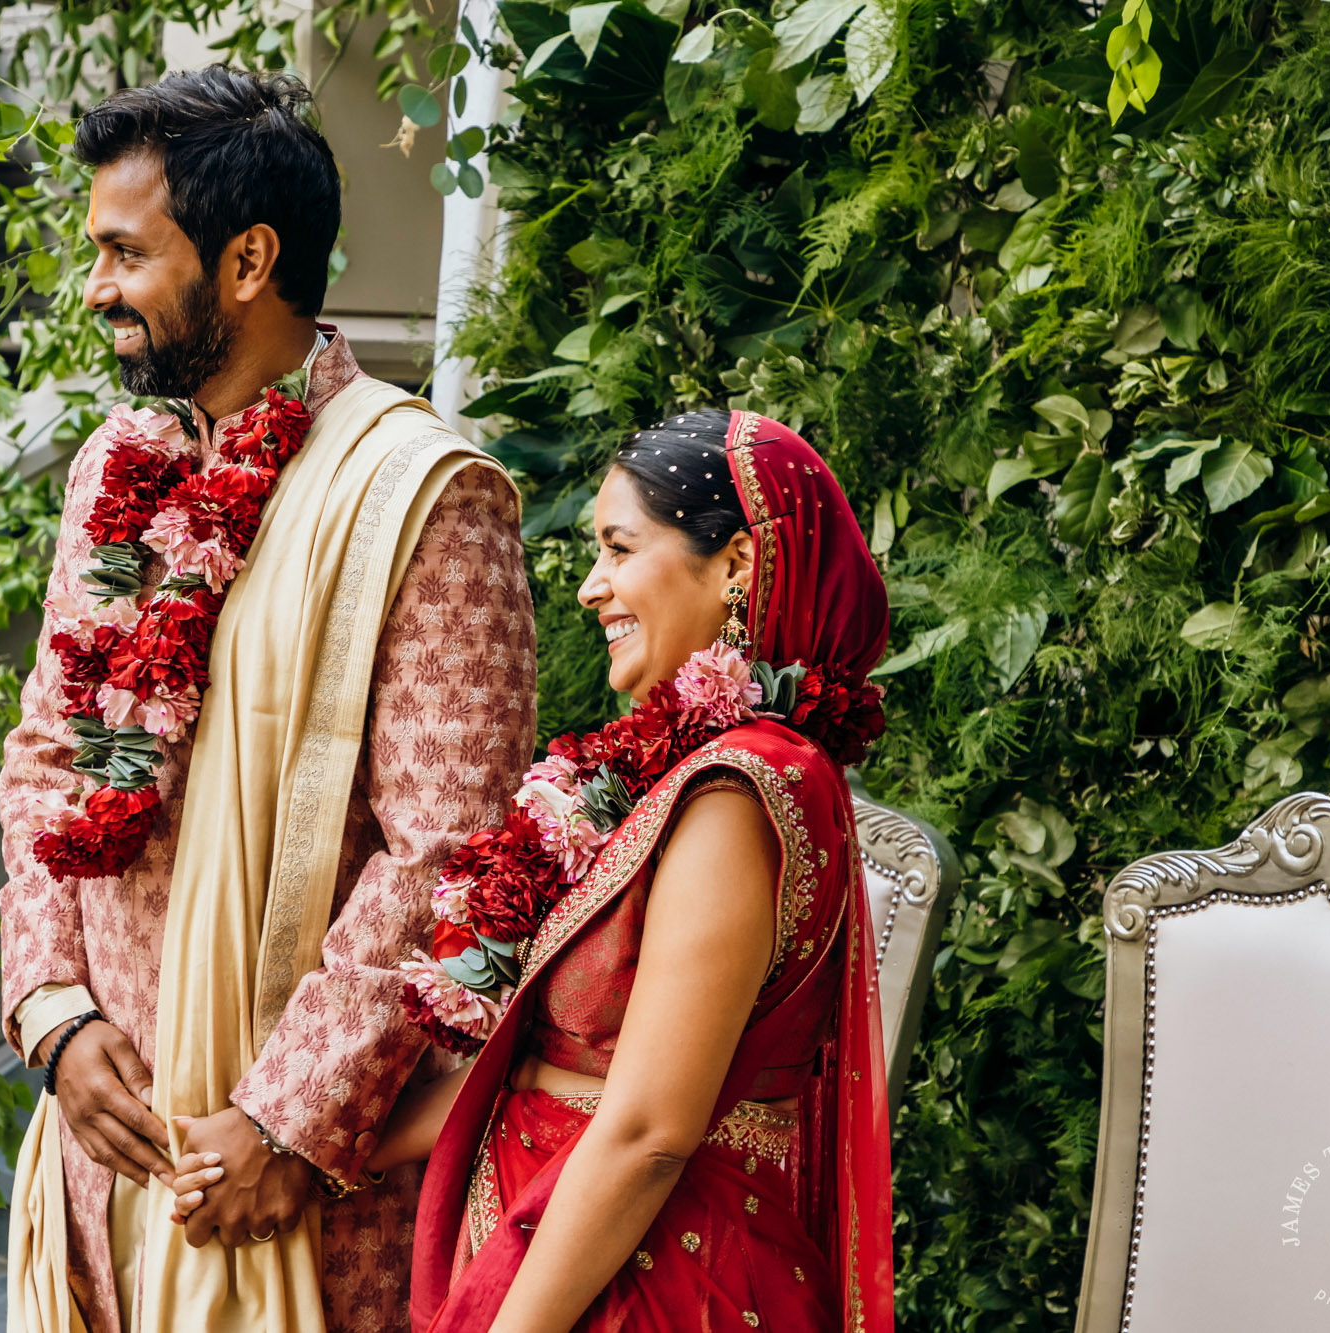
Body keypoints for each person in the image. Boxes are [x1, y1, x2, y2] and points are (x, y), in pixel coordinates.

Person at [0, 66, 536, 1333]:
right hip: (103, 1163)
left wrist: (287, 1120)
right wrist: (56, 1017)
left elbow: (449, 856)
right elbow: (42, 757)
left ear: (246, 260)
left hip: (293, 1200)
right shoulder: (112, 470)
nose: (96, 289)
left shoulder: (425, 494)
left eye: (126, 253)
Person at [173, 408, 895, 1331]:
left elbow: (646, 1135)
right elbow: (541, 1071)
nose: (593, 587)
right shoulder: (676, 777)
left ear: (736, 567)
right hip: (553, 1244)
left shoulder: (736, 795)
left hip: (657, 1282)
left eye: (620, 548)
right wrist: (306, 1143)